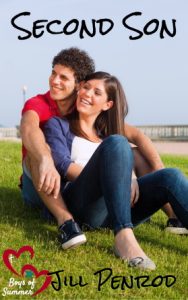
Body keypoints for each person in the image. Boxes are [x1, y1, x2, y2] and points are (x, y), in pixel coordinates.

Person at [20, 48, 186, 250]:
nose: (54, 80)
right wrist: (46, 159)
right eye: (53, 73)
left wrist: (137, 175)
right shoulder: (51, 116)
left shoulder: (97, 123)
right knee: (37, 153)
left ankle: (175, 216)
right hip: (52, 186)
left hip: (111, 204)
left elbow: (135, 136)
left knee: (170, 175)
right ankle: (67, 221)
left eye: (63, 77)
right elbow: (30, 129)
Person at [43, 71, 188, 270]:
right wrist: (114, 182)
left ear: (107, 105)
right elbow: (63, 166)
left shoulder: (106, 136)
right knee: (118, 142)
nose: (87, 94)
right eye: (86, 87)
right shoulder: (59, 124)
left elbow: (129, 157)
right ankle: (123, 237)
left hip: (118, 206)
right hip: (83, 204)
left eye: (96, 92)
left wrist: (131, 177)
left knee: (171, 176)